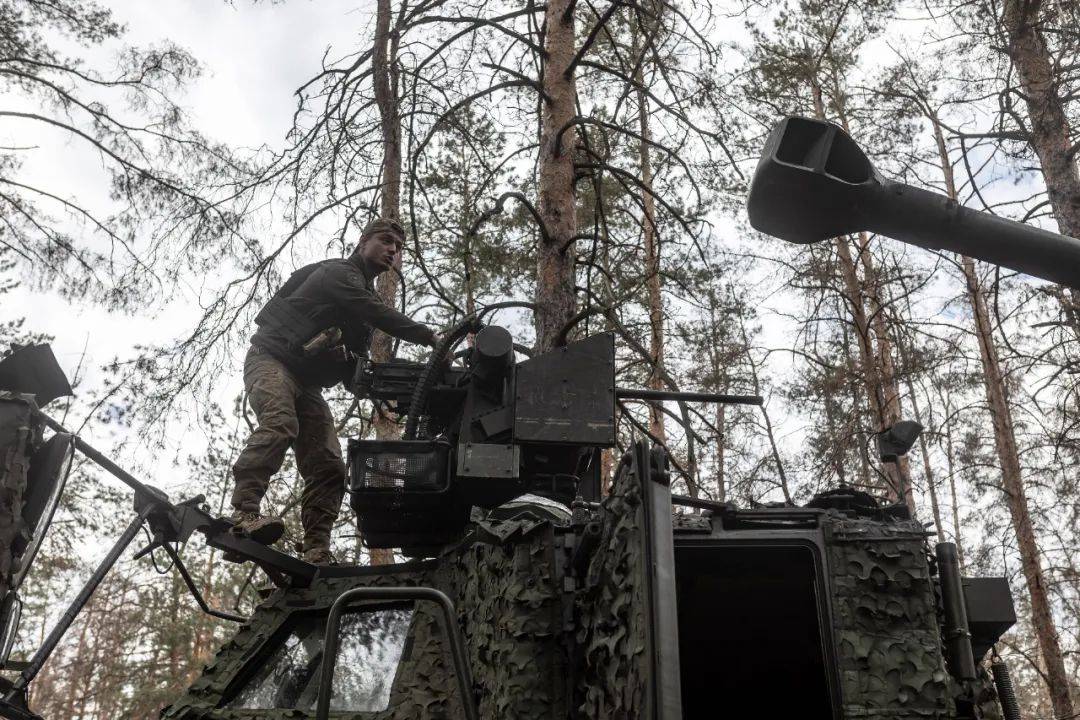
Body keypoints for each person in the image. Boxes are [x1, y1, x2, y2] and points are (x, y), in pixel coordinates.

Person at [228, 218, 438, 565]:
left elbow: (353, 367)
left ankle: (316, 550)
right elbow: (374, 310)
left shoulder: (361, 312)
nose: (392, 251)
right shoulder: (339, 274)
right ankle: (243, 513)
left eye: (398, 248)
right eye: (386, 241)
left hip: (307, 384)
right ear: (362, 242)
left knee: (328, 466)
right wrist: (427, 336)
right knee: (280, 422)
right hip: (271, 362)